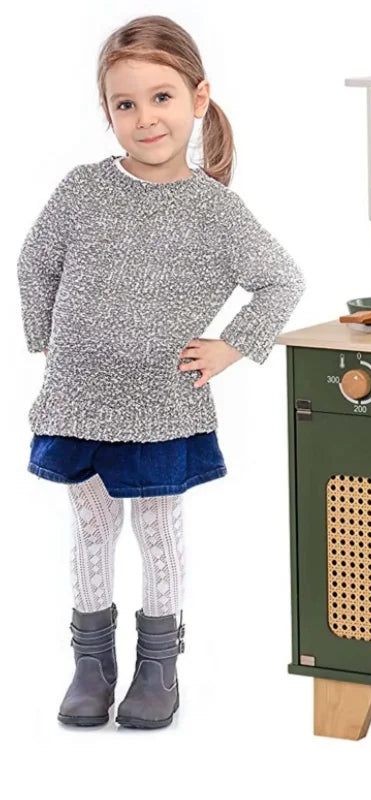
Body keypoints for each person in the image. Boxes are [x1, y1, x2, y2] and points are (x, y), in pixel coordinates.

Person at [16, 15, 306, 730]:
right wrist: (45, 340)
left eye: (162, 98)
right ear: (108, 113)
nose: (145, 118)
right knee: (89, 526)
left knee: (157, 527)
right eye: (125, 104)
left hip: (158, 403)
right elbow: (34, 261)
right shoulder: (82, 189)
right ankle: (91, 663)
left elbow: (281, 281)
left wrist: (231, 346)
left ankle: (158, 666)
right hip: (78, 397)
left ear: (198, 98)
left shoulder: (214, 210)